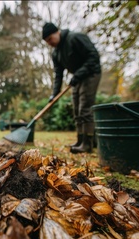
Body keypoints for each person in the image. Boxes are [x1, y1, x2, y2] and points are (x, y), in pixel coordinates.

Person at [42, 22, 101, 154]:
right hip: (77, 79)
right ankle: (80, 141)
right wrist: (54, 94)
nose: (49, 43)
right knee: (76, 110)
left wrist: (78, 74)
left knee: (84, 108)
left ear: (57, 32)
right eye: (47, 41)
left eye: (50, 39)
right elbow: (58, 75)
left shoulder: (75, 38)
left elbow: (93, 56)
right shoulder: (56, 54)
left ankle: (87, 143)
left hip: (91, 73)